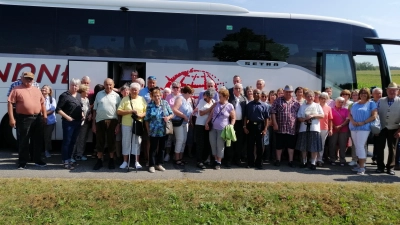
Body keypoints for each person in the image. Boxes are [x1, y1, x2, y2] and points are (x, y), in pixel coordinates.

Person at [8, 72, 47, 169]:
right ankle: (22, 162)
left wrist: (44, 116)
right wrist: (11, 118)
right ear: (22, 78)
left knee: (37, 140)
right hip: (23, 118)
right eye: (27, 78)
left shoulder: (37, 90)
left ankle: (37, 160)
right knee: (24, 140)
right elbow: (10, 103)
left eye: (30, 79)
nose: (29, 80)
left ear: (33, 80)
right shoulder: (16, 89)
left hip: (37, 118)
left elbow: (42, 104)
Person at [92, 78, 121, 170]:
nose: (108, 86)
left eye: (110, 84)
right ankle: (99, 161)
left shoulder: (117, 96)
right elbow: (95, 110)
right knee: (100, 142)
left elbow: (119, 111)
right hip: (100, 121)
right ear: (104, 85)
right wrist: (93, 124)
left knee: (111, 142)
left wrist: (118, 124)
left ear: (113, 85)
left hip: (113, 121)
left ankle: (111, 160)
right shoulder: (99, 94)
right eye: (106, 84)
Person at [117, 82, 147, 169]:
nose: (134, 91)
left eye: (136, 90)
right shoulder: (125, 99)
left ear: (138, 91)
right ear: (130, 90)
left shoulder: (142, 99)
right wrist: (130, 111)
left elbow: (146, 111)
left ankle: (137, 162)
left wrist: (141, 115)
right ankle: (125, 161)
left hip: (138, 123)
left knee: (137, 141)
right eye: (132, 89)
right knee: (126, 142)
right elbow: (119, 111)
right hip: (126, 124)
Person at [348, 87, 377, 175]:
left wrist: (363, 122)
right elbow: (349, 114)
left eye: (365, 93)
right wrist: (352, 121)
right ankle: (358, 165)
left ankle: (362, 167)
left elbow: (374, 116)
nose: (363, 94)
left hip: (364, 128)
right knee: (356, 146)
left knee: (360, 146)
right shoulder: (355, 104)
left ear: (368, 94)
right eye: (362, 93)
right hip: (353, 127)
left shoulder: (371, 104)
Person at [144, 88, 174, 173]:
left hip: (163, 130)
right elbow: (146, 119)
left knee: (162, 148)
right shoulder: (150, 105)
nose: (157, 97)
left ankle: (159, 164)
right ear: (152, 97)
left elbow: (172, 114)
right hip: (153, 130)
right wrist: (148, 130)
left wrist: (168, 117)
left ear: (161, 96)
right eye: (155, 96)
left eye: (158, 95)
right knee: (153, 148)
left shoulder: (165, 103)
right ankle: (151, 165)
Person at [56, 78, 83, 170]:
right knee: (66, 142)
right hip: (68, 123)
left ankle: (69, 158)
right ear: (69, 85)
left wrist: (82, 114)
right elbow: (58, 109)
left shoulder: (79, 95)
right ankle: (65, 161)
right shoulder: (64, 96)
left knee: (73, 142)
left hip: (78, 122)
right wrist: (68, 117)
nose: (74, 87)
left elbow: (80, 107)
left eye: (76, 85)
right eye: (73, 85)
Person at [205, 89, 235, 170]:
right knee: (213, 144)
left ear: (225, 97)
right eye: (219, 96)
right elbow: (211, 115)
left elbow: (233, 118)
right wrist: (207, 123)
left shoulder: (230, 106)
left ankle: (219, 162)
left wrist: (231, 126)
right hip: (213, 128)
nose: (219, 98)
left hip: (223, 129)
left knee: (220, 145)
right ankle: (215, 159)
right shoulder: (215, 104)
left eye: (220, 96)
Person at [271, 85, 301, 167]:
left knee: (291, 146)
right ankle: (278, 160)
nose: (288, 93)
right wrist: (275, 123)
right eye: (287, 91)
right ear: (283, 92)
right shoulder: (278, 101)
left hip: (291, 128)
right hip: (280, 127)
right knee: (279, 145)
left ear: (292, 93)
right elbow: (273, 112)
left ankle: (290, 161)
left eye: (290, 92)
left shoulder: (296, 103)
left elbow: (299, 116)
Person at [376, 83, 400, 175]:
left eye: (394, 90)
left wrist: (399, 131)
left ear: (397, 91)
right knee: (379, 147)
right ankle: (380, 167)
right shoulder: (380, 101)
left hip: (394, 128)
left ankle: (390, 167)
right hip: (381, 128)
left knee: (392, 148)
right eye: (390, 90)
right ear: (386, 91)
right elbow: (376, 115)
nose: (392, 91)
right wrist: (376, 129)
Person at [296, 91, 324, 170]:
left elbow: (322, 115)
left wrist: (312, 115)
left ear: (314, 97)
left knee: (313, 147)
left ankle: (313, 162)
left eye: (311, 96)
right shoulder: (302, 106)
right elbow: (299, 117)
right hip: (304, 129)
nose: (310, 98)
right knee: (303, 147)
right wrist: (305, 119)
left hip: (314, 128)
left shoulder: (317, 105)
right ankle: (304, 161)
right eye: (308, 96)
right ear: (305, 97)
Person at [243, 89, 270, 169]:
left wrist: (265, 129)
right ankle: (250, 163)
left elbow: (266, 119)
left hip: (260, 126)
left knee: (260, 146)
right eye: (254, 93)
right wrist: (244, 127)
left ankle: (259, 163)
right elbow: (245, 117)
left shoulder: (264, 105)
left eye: (257, 93)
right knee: (250, 145)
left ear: (260, 94)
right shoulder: (249, 105)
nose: (255, 94)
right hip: (250, 126)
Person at [172, 86, 194, 166]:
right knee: (180, 140)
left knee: (184, 140)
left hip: (186, 123)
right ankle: (176, 158)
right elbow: (174, 109)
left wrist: (190, 120)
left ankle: (181, 158)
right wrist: (184, 116)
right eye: (191, 93)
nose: (191, 95)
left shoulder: (187, 100)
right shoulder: (180, 98)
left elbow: (190, 112)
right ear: (187, 92)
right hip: (179, 122)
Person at [226, 83, 247, 167]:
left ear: (241, 90)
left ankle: (237, 159)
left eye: (239, 89)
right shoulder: (229, 99)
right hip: (231, 123)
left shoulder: (244, 99)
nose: (238, 90)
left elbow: (245, 114)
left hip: (240, 124)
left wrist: (244, 125)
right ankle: (228, 160)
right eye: (236, 88)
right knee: (230, 142)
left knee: (239, 142)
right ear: (233, 89)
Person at [194, 90, 215, 169]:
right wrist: (211, 108)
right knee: (200, 143)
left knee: (207, 143)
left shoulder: (213, 101)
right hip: (200, 124)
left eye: (211, 97)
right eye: (208, 97)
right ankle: (199, 161)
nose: (209, 98)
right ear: (205, 96)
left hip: (208, 124)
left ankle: (205, 159)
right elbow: (201, 113)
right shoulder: (202, 101)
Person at [71, 84, 92, 162]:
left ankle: (80, 155)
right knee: (75, 139)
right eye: (87, 90)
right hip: (77, 122)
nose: (88, 92)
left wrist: (90, 114)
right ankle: (72, 155)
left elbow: (89, 109)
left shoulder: (86, 99)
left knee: (82, 139)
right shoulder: (77, 98)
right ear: (82, 91)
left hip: (85, 122)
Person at [329, 97, 349, 166]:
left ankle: (342, 160)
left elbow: (347, 119)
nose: (340, 103)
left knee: (343, 145)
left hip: (343, 129)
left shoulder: (346, 110)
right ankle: (332, 159)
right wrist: (334, 126)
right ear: (335, 102)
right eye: (339, 102)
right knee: (332, 144)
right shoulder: (331, 109)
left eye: (342, 102)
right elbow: (330, 119)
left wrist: (340, 126)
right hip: (333, 130)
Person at [317, 92, 332, 166]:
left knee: (322, 144)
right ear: (319, 99)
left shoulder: (329, 108)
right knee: (315, 144)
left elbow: (330, 119)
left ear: (327, 99)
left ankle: (319, 159)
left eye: (325, 98)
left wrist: (331, 129)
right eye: (322, 98)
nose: (323, 100)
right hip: (315, 127)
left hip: (324, 128)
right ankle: (314, 159)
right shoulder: (316, 106)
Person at [41, 85, 56, 158]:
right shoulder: (38, 99)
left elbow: (52, 110)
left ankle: (47, 150)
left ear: (49, 91)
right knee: (39, 136)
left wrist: (43, 114)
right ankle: (39, 151)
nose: (44, 89)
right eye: (43, 88)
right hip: (40, 121)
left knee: (47, 137)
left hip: (50, 121)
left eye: (46, 89)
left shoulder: (52, 99)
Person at [371, 87, 383, 165]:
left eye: (380, 93)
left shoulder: (384, 101)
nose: (378, 95)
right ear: (372, 94)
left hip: (380, 125)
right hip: (369, 124)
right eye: (376, 93)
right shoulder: (369, 102)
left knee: (378, 143)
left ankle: (375, 157)